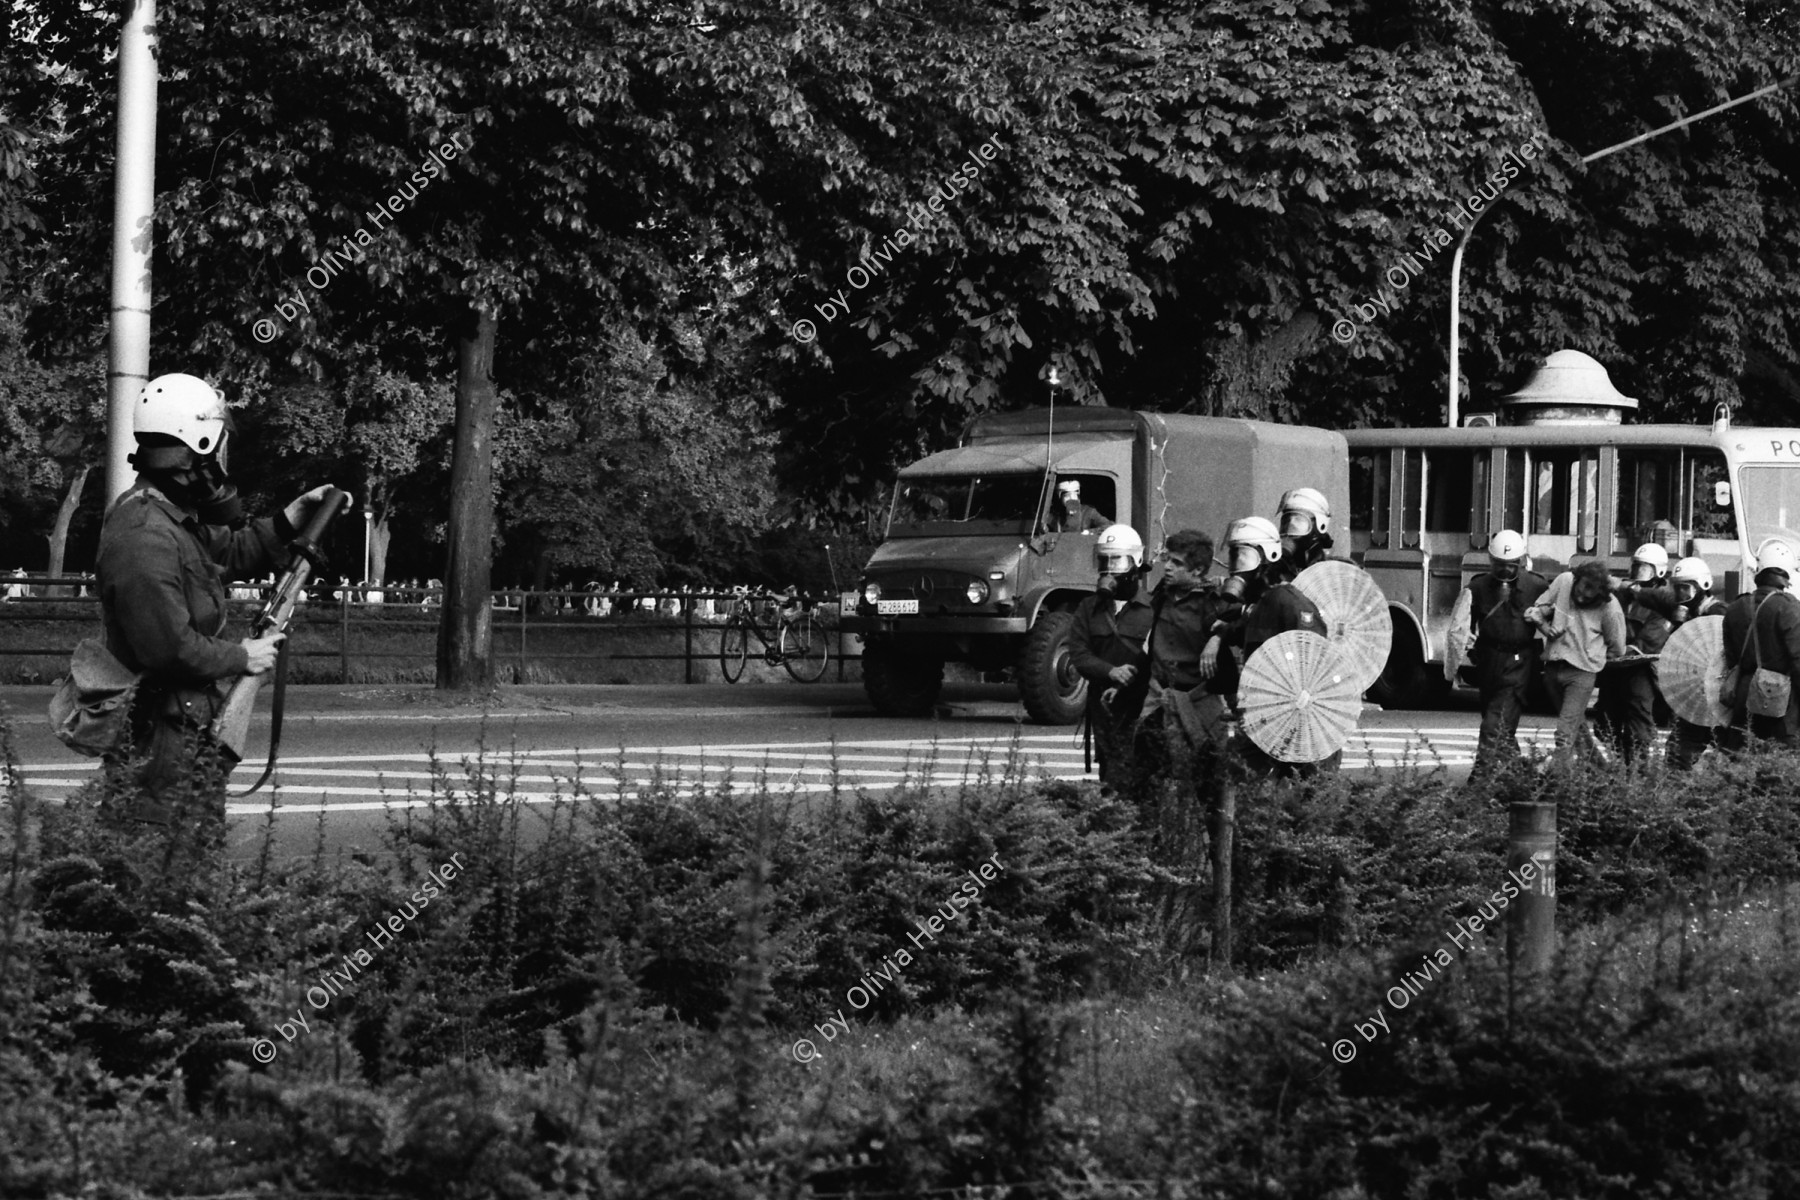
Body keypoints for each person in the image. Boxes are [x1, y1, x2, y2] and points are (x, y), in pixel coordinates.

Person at [95, 372, 349, 833]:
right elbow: (167, 647)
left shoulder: (168, 520)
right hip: (159, 744)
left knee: (184, 871)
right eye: (218, 444)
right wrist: (242, 657)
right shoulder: (144, 533)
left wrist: (293, 517)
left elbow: (233, 550)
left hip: (180, 734)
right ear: (198, 445)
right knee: (162, 871)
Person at [1213, 515, 1337, 776]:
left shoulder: (1288, 602)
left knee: (1307, 791)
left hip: (1299, 718)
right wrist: (1219, 636)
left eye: (1243, 556)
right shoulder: (1263, 604)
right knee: (1233, 772)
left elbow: (1315, 659)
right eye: (1234, 557)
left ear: (1266, 556)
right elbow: (1237, 630)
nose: (1236, 567)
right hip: (1265, 716)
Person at [1067, 525, 1155, 790]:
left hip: (1139, 703)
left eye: (1115, 560)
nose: (1108, 569)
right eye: (1104, 560)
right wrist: (1110, 672)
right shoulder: (1088, 608)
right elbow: (1078, 653)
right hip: (1102, 704)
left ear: (1135, 562)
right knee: (1109, 768)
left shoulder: (1152, 608)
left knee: (1142, 764)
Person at [1456, 529, 1549, 779]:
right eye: (1500, 566)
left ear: (1521, 561)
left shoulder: (1537, 586)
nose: (1506, 571)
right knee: (1501, 726)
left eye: (1512, 566)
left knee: (1493, 726)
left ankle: (1479, 781)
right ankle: (1525, 779)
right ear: (1490, 561)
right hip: (1488, 661)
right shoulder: (1477, 586)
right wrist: (1466, 641)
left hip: (1519, 662)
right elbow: (1463, 623)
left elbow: (1557, 616)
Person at [1525, 559, 1627, 767]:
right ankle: (1600, 769)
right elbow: (1541, 606)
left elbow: (1617, 646)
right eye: (1579, 591)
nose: (1580, 597)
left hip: (1582, 672)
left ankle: (1558, 780)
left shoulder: (1610, 607)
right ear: (1577, 579)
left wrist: (1594, 656)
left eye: (1587, 597)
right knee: (1576, 725)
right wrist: (1541, 618)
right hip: (1553, 665)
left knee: (1565, 730)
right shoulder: (1564, 582)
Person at [1595, 544, 1676, 766]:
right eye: (1636, 567)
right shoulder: (1621, 596)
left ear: (1658, 571)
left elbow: (1651, 640)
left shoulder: (1662, 601)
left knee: (1638, 724)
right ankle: (1622, 761)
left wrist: (1623, 649)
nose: (1637, 573)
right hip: (1614, 667)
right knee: (1604, 723)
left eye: (1644, 568)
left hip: (1641, 669)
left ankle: (1637, 768)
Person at [1721, 538, 1800, 748]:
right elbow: (1798, 658)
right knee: (1780, 762)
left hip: (1743, 697)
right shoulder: (1789, 608)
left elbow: (1730, 658)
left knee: (1740, 757)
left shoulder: (1735, 607)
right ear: (1786, 575)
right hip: (1780, 703)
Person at [1663, 556, 1732, 770]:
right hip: (1695, 697)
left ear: (1702, 585)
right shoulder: (1687, 616)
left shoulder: (1717, 612)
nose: (1681, 596)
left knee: (1729, 754)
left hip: (1717, 698)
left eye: (1686, 589)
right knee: (1677, 754)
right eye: (1678, 589)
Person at [1273, 486, 1337, 577]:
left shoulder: (1332, 572)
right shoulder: (1276, 570)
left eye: (1299, 520)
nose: (1291, 526)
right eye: (1286, 520)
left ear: (1320, 525)